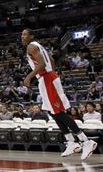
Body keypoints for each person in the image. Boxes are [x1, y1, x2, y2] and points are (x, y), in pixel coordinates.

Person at [22, 28, 97, 161]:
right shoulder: (39, 46)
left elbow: (43, 63)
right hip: (47, 78)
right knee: (52, 112)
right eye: (22, 34)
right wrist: (51, 74)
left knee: (59, 112)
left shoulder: (31, 47)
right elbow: (51, 60)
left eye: (25, 34)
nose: (22, 37)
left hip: (47, 78)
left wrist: (29, 77)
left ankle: (86, 141)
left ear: (32, 36)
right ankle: (71, 142)